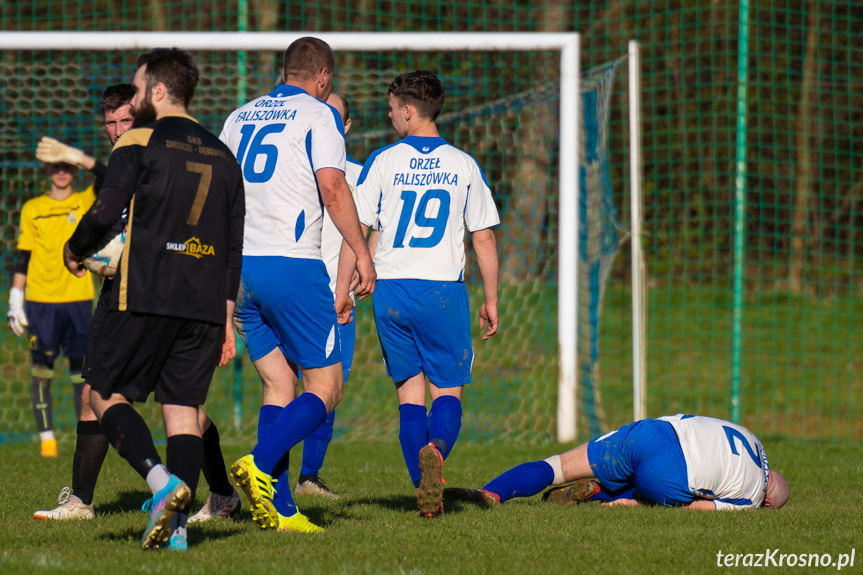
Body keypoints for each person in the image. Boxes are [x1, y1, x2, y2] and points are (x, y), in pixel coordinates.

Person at [62, 47, 245, 551]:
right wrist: (226, 317)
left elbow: (106, 211)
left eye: (139, 89)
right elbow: (234, 247)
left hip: (144, 291)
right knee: (183, 409)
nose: (136, 97)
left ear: (158, 91)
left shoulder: (140, 139)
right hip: (205, 303)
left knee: (101, 391)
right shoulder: (224, 154)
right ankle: (178, 532)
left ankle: (159, 480)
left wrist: (74, 249)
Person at [219, 37, 374, 534]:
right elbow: (333, 187)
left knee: (278, 386)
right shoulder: (318, 116)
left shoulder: (238, 117)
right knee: (325, 388)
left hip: (238, 266)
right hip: (291, 265)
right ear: (324, 76)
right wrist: (362, 253)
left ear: (284, 70)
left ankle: (281, 510)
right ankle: (259, 464)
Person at [339, 70, 500, 518]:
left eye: (392, 108)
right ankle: (438, 452)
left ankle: (423, 492)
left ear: (408, 111)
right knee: (446, 392)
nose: (389, 115)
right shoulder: (464, 164)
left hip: (390, 290)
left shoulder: (382, 161)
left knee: (409, 395)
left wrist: (348, 286)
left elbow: (360, 229)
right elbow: (483, 238)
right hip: (442, 291)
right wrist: (491, 299)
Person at [445, 414, 790, 510]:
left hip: (655, 434)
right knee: (649, 494)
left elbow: (694, 420)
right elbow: (701, 510)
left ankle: (490, 493)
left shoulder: (750, 436)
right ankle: (605, 495)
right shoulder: (751, 500)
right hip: (672, 476)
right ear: (769, 500)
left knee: (555, 466)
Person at [293, 92, 364, 500]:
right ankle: (267, 471)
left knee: (328, 389)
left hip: (336, 301)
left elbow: (370, 234)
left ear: (347, 127)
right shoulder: (292, 171)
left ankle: (309, 476)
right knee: (283, 386)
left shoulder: (358, 176)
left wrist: (355, 280)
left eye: (334, 119)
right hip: (289, 293)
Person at [8, 155, 95, 457]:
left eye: (66, 165)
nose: (61, 171)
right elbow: (23, 256)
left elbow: (110, 177)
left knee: (81, 374)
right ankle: (48, 441)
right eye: (55, 165)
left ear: (73, 168)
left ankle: (80, 438)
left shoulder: (85, 200)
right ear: (46, 169)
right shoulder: (33, 208)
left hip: (79, 299)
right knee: (42, 372)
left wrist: (81, 158)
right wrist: (15, 298)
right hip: (41, 302)